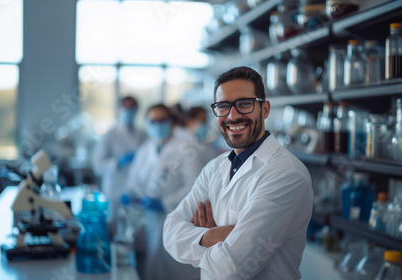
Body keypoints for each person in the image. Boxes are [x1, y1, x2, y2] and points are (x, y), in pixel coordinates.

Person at [163, 66, 313, 280]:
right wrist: (211, 235)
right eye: (223, 106)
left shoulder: (287, 175)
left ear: (265, 109)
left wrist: (194, 241)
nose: (232, 116)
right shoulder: (215, 168)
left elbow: (230, 269)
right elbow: (169, 232)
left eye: (244, 104)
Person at [126, 104, 202, 280]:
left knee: (175, 268)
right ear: (147, 123)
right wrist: (131, 194)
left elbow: (194, 185)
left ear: (171, 122)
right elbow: (134, 179)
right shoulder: (145, 149)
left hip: (177, 216)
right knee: (151, 265)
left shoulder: (186, 148)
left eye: (162, 120)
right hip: (149, 217)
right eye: (153, 121)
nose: (157, 125)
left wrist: (166, 202)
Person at [91, 96, 146, 229]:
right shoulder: (109, 135)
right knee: (114, 228)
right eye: (125, 108)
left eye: (132, 108)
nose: (129, 111)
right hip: (114, 191)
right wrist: (117, 162)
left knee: (135, 229)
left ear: (137, 110)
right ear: (119, 109)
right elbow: (97, 166)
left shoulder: (143, 135)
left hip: (136, 191)